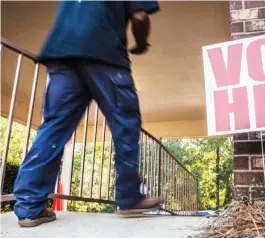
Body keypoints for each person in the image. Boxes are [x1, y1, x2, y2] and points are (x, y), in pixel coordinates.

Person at [13, 1, 162, 227]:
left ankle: (29, 207)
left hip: (62, 53)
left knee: (53, 128)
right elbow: (140, 16)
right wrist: (141, 44)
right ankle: (129, 198)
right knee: (125, 125)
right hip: (105, 54)